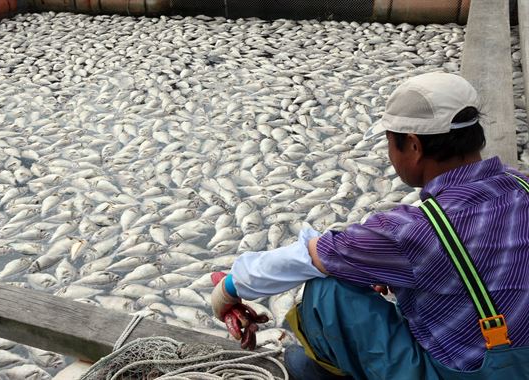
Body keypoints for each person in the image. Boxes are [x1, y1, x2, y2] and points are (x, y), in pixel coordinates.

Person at [211, 72, 529, 379]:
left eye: (391, 142)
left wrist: (228, 289)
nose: (390, 154)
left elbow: (309, 256)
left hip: (467, 372)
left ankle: (319, 373)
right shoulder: (522, 186)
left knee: (327, 292)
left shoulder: (413, 231)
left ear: (414, 146)